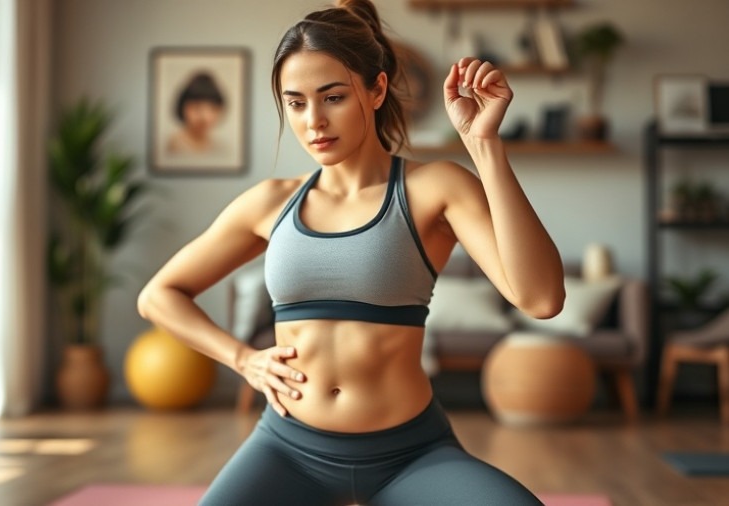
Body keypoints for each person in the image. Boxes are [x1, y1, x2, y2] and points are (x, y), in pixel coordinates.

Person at [137, 1, 565, 504]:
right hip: (287, 449)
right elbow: (158, 295)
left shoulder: (435, 188)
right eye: (295, 103)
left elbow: (541, 300)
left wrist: (484, 143)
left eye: (332, 97)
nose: (314, 120)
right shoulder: (271, 202)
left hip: (411, 455)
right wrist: (244, 360)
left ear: (377, 88)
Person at [166, 71, 227, 155]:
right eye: (196, 108)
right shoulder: (174, 145)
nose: (205, 117)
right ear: (182, 108)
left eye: (213, 109)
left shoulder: (220, 146)